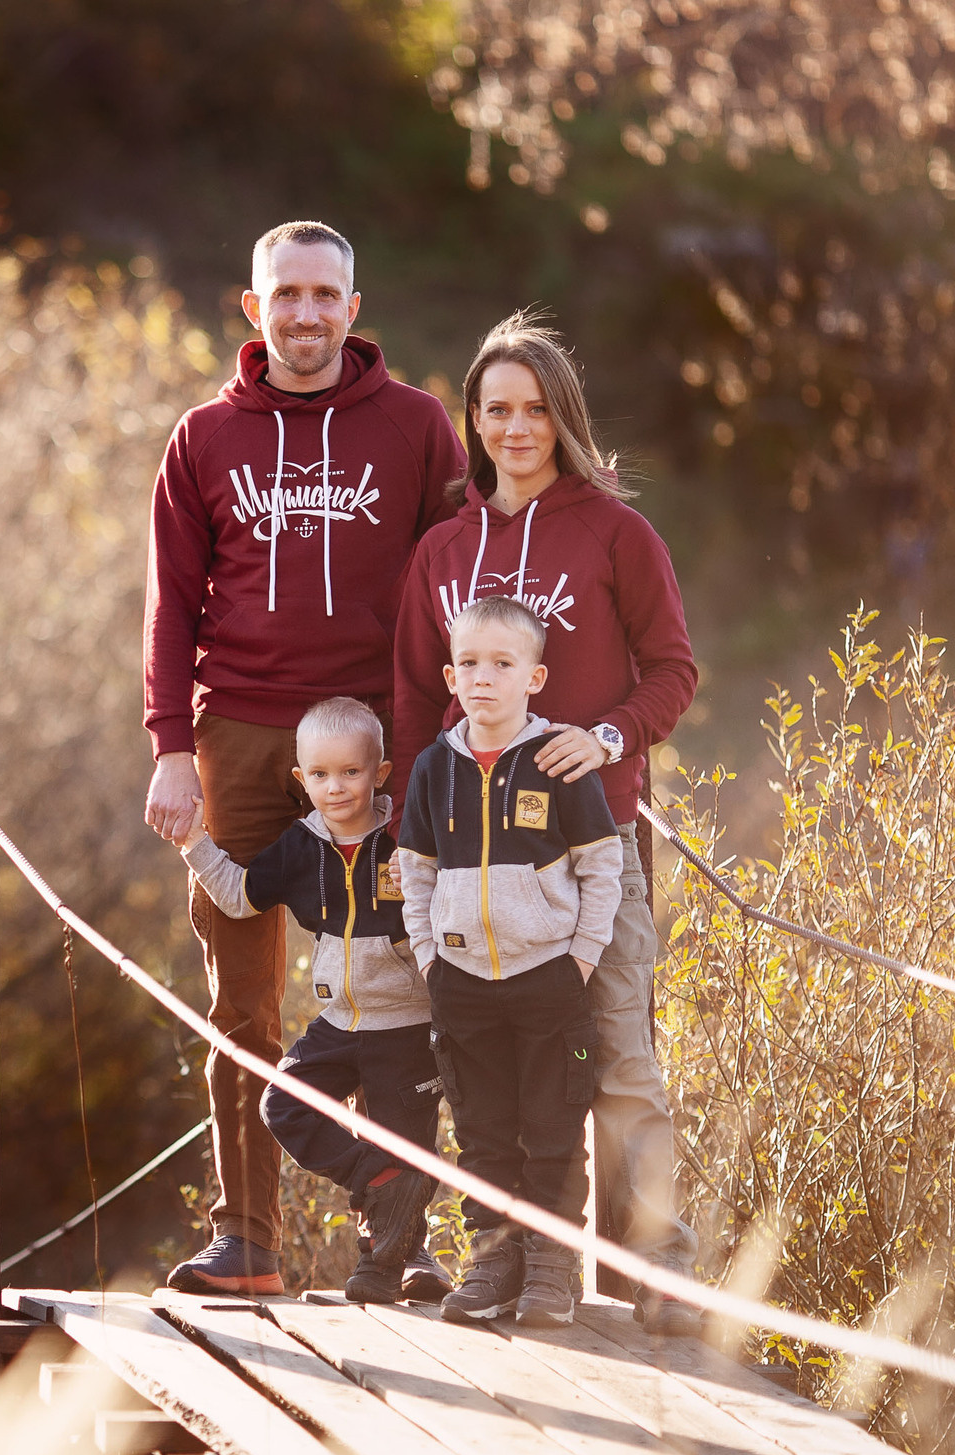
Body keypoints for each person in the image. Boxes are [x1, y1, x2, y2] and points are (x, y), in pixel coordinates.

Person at [144, 219, 466, 1296]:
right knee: (242, 1002)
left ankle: (400, 1243)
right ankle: (247, 1241)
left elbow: (462, 567)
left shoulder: (417, 427)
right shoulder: (202, 439)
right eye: (286, 294)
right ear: (253, 309)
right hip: (238, 733)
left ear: (353, 309)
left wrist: (437, 739)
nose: (306, 313)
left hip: (371, 737)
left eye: (325, 294)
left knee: (394, 989)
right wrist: (171, 747)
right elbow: (169, 607)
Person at [386, 312, 705, 1336]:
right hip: (473, 866)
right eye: (496, 410)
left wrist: (608, 739)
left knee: (619, 1056)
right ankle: (515, 1258)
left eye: (534, 410)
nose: (515, 429)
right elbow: (411, 700)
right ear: (474, 422)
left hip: (590, 846)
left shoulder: (616, 533)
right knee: (487, 1074)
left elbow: (673, 671)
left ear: (562, 417)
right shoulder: (441, 550)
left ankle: (658, 1263)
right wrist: (408, 838)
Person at [174, 696, 448, 1306]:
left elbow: (458, 901)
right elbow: (239, 897)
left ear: (380, 773)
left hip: (407, 1026)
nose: (336, 787)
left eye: (351, 772)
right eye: (320, 774)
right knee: (283, 1104)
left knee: (408, 1144)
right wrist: (194, 841)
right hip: (339, 1023)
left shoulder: (406, 837)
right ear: (301, 779)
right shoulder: (301, 847)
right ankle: (374, 1179)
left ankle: (392, 1266)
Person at [395, 595, 621, 1326]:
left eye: (501, 663)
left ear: (535, 677)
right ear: (450, 677)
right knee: (483, 1132)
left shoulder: (557, 762)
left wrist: (579, 959)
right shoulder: (434, 768)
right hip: (462, 983)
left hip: (550, 979)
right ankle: (494, 1261)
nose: (483, 677)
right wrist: (430, 959)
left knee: (554, 1129)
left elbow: (602, 866)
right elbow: (415, 872)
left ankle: (552, 1268)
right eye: (468, 664)